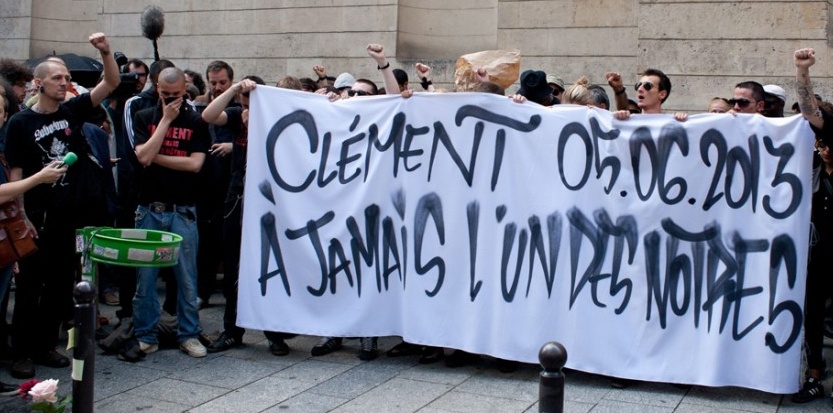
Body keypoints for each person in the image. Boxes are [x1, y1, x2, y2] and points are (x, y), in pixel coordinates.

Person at [4, 32, 120, 379]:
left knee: (59, 287)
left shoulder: (72, 110)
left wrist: (106, 52)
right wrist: (22, 218)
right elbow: (15, 173)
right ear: (38, 83)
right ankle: (21, 353)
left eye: (68, 78)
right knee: (28, 289)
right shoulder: (20, 123)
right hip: (37, 218)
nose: (65, 83)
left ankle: (45, 345)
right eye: (58, 77)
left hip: (71, 216)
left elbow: (111, 82)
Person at [201, 76, 295, 356]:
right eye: (245, 104)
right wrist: (233, 90)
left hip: (272, 198)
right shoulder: (234, 115)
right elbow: (208, 115)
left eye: (252, 104)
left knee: (272, 264)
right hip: (239, 196)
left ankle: (274, 333)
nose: (247, 108)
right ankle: (232, 330)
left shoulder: (280, 119)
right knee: (233, 266)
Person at [130, 67, 210, 359]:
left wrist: (154, 158)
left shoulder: (196, 121)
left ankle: (188, 334)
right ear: (156, 89)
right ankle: (145, 335)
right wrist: (165, 120)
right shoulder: (144, 116)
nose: (171, 100)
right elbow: (141, 157)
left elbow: (195, 165)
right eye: (165, 95)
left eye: (176, 96)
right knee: (145, 279)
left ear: (186, 91)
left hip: (182, 210)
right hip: (150, 208)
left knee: (187, 278)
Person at [790, 47, 833, 404]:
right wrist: (803, 71)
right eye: (821, 142)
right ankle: (814, 375)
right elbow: (808, 110)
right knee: (814, 314)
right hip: (819, 253)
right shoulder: (816, 171)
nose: (824, 148)